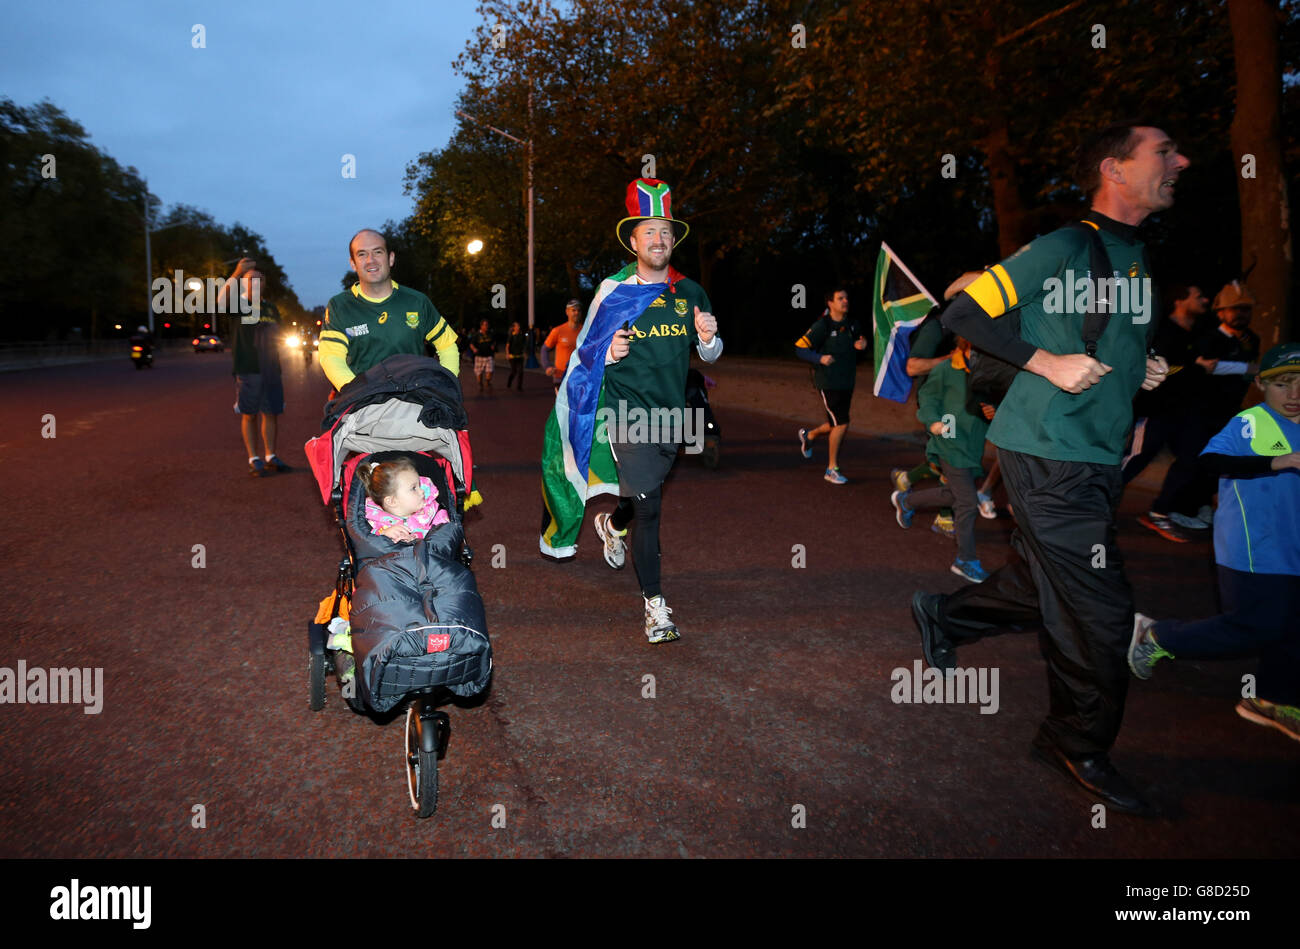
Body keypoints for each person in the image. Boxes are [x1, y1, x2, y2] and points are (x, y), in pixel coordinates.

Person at [911, 123, 1185, 816]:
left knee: (1041, 584)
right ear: (1114, 169)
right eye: (1164, 152)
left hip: (1093, 453)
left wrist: (1139, 371)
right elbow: (964, 312)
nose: (1181, 160)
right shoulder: (1066, 244)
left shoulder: (1136, 254)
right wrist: (1048, 364)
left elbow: (1105, 337)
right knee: (1101, 611)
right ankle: (1074, 740)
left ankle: (944, 614)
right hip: (1046, 449)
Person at [539, 177, 721, 644]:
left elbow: (711, 355)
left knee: (641, 494)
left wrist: (708, 339)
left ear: (673, 240)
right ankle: (655, 608)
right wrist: (608, 353)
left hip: (672, 416)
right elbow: (584, 353)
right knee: (652, 507)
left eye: (666, 232)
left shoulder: (691, 293)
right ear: (634, 241)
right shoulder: (613, 292)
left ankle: (612, 523)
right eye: (649, 232)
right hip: (624, 415)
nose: (658, 240)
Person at [1129, 343, 1300, 744]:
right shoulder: (1252, 422)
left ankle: (1271, 699)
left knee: (1292, 625)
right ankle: (1157, 637)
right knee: (1254, 625)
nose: (1294, 394)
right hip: (1252, 547)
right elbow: (1208, 462)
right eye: (1283, 383)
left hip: (1292, 550)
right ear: (1260, 384)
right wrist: (1278, 461)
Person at [891, 338, 991, 582]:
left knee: (955, 493)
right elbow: (928, 397)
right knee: (967, 502)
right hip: (949, 439)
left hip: (972, 445)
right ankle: (966, 560)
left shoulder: (987, 373)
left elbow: (990, 407)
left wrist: (993, 411)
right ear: (965, 345)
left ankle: (907, 500)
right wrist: (933, 421)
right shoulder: (946, 369)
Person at [1123, 284, 1217, 542]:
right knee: (1135, 459)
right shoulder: (1162, 331)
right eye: (1199, 295)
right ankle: (1094, 507)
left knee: (1193, 457)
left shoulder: (1197, 334)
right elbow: (1158, 369)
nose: (1206, 300)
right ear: (1179, 299)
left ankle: (1159, 512)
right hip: (1156, 410)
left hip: (1186, 412)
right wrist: (1196, 369)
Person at [890, 272, 980, 532]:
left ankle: (906, 479)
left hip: (963, 403)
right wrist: (949, 360)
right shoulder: (937, 326)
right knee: (954, 457)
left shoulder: (972, 326)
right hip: (939, 403)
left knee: (950, 458)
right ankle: (943, 515)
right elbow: (912, 366)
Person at [318, 229, 460, 392]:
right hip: (364, 407)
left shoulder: (417, 301)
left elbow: (447, 346)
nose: (371, 260)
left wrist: (446, 388)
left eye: (377, 252)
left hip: (416, 404)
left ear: (390, 258)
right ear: (353, 263)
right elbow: (331, 357)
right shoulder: (339, 306)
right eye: (362, 254)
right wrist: (359, 394)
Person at [217, 258, 290, 477]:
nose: (255, 283)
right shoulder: (239, 304)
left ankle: (271, 456)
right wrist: (237, 272)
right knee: (249, 414)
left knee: (272, 412)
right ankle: (253, 458)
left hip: (271, 368)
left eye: (259, 280)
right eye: (250, 280)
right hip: (248, 366)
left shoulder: (270, 308)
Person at [794, 288, 867, 484]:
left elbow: (858, 344)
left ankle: (810, 435)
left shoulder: (853, 324)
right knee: (842, 422)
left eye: (847, 297)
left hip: (847, 380)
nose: (845, 301)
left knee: (836, 422)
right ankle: (831, 469)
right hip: (828, 381)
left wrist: (862, 345)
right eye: (840, 298)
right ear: (830, 303)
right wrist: (819, 358)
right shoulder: (822, 326)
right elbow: (799, 348)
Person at [359, 457, 451, 542]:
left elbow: (443, 534)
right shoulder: (374, 519)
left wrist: (416, 537)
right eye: (413, 488)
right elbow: (365, 541)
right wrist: (383, 534)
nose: (422, 491)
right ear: (392, 501)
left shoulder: (432, 512)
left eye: (419, 485)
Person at [544, 300, 584, 393]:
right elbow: (544, 349)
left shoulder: (586, 330)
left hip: (580, 377)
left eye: (579, 310)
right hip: (560, 377)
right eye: (573, 310)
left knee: (578, 407)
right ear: (567, 312)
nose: (577, 312)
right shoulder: (558, 330)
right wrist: (547, 367)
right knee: (562, 407)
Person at [469, 319, 497, 395]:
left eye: (487, 324)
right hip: (479, 356)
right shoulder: (476, 335)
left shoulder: (491, 334)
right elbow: (471, 344)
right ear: (481, 326)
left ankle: (487, 381)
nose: (486, 326)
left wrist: (493, 346)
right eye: (485, 325)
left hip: (489, 356)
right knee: (479, 372)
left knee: (490, 371)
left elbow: (494, 342)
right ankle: (480, 384)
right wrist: (474, 349)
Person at [506, 321, 528, 391]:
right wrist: (507, 354)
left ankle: (519, 386)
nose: (518, 327)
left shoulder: (522, 335)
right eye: (516, 326)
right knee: (514, 371)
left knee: (521, 371)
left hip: (520, 356)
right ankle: (509, 382)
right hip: (512, 356)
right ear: (513, 328)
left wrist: (525, 353)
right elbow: (507, 346)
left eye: (519, 326)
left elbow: (524, 345)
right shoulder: (511, 336)